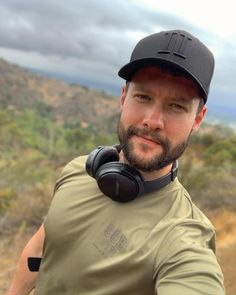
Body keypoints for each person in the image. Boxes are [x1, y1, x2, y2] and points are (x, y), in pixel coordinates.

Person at [8, 29, 225, 295]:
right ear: (124, 97)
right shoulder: (78, 170)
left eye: (176, 106)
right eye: (143, 97)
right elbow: (40, 250)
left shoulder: (184, 238)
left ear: (198, 119)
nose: (153, 121)